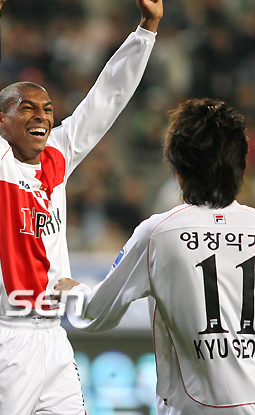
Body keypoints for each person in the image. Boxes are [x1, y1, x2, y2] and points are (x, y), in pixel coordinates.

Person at [0, 0, 167, 415]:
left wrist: (145, 30)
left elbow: (105, 100)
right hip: (2, 337)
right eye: (26, 107)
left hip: (53, 338)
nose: (42, 116)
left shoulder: (55, 159)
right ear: (0, 122)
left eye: (48, 109)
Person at [53, 98, 255, 415]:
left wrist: (73, 292)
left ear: (177, 171)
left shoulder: (158, 233)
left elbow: (97, 314)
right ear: (241, 165)